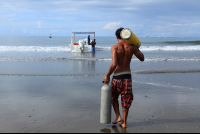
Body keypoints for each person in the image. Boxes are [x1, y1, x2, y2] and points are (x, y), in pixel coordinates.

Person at [103, 27, 144, 128]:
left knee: (113, 98)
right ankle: (124, 123)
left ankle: (118, 117)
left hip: (117, 77)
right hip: (127, 78)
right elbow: (142, 58)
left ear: (117, 37)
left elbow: (114, 63)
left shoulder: (114, 47)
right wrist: (135, 47)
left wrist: (107, 75)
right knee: (126, 100)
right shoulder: (132, 47)